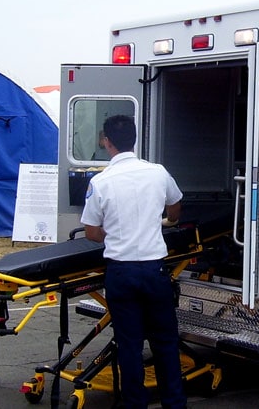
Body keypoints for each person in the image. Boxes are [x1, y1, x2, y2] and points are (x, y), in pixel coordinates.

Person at [80, 114, 186, 409]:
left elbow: (90, 231)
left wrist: (114, 234)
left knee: (129, 345)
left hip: (121, 270)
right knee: (165, 342)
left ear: (106, 141)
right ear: (135, 138)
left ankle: (135, 404)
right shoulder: (157, 172)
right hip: (154, 268)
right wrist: (164, 221)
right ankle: (175, 404)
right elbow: (176, 208)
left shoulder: (101, 182)